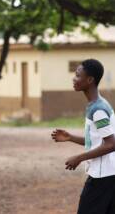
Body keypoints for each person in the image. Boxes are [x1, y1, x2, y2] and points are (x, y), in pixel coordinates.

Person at [51, 59, 115, 214]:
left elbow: (111, 144)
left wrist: (79, 158)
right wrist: (70, 137)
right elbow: (99, 141)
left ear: (90, 80)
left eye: (78, 75)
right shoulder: (96, 105)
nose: (74, 79)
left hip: (103, 177)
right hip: (108, 175)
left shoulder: (98, 109)